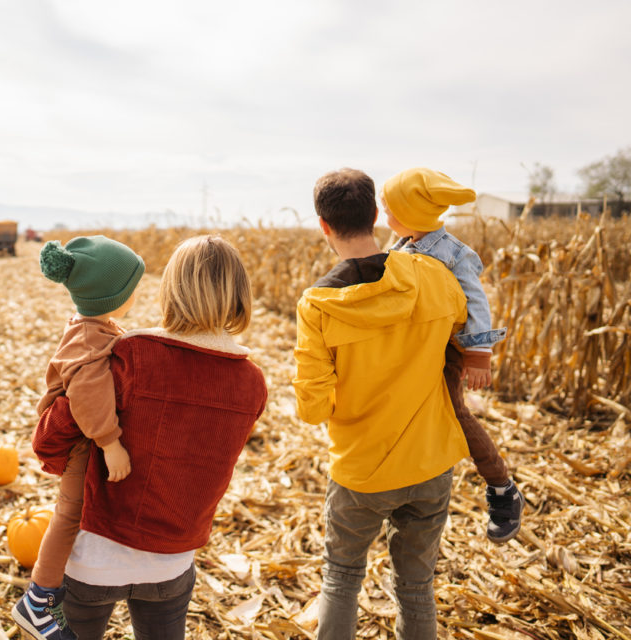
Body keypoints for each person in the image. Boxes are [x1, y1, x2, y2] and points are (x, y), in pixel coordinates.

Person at [35, 235, 267, 640]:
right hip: (171, 561)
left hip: (96, 553)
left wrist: (70, 465)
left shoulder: (131, 355)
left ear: (170, 291)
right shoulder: (253, 383)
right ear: (239, 296)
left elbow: (50, 438)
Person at [293, 168, 469, 639]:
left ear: (324, 226)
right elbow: (462, 327)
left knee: (341, 580)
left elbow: (311, 409)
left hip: (361, 471)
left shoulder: (318, 306)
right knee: (416, 588)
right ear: (375, 215)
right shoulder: (432, 276)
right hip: (431, 462)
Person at [12, 235, 145, 640]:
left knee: (74, 514)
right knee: (69, 515)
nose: (136, 296)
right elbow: (88, 397)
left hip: (85, 443)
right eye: (132, 290)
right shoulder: (89, 340)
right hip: (84, 446)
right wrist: (110, 442)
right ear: (110, 296)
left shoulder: (93, 327)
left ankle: (53, 591)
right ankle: (38, 600)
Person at [381, 167, 523, 543]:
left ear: (412, 213)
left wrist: (479, 354)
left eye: (390, 208)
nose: (385, 215)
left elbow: (476, 302)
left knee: (455, 413)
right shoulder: (401, 246)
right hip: (419, 347)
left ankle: (502, 489)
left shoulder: (452, 254)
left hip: (448, 351)